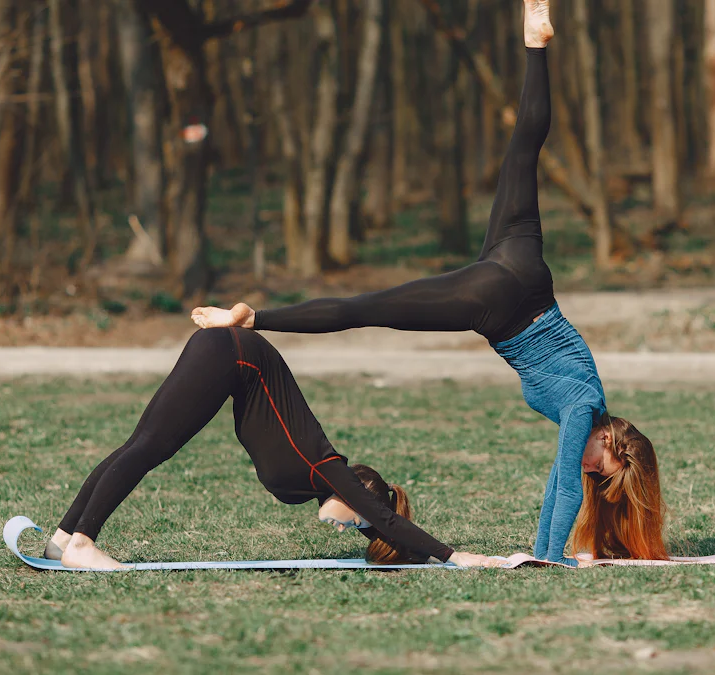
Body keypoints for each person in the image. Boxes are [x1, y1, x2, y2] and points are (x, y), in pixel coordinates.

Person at [190, 1, 667, 564]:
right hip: (504, 306)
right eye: (600, 463)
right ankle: (252, 318)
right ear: (613, 440)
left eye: (596, 471)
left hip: (526, 281)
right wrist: (550, 557)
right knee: (366, 308)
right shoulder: (585, 407)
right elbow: (563, 483)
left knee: (522, 153)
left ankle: (536, 45)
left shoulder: (586, 407)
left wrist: (548, 550)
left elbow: (564, 482)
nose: (589, 467)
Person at [46, 327, 500, 570]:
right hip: (231, 354)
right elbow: (386, 519)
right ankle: (82, 542)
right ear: (359, 491)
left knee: (140, 446)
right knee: (145, 448)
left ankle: (63, 538)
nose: (351, 527)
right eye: (359, 517)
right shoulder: (326, 466)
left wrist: (399, 546)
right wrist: (456, 556)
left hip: (230, 359)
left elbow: (375, 522)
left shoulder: (313, 485)